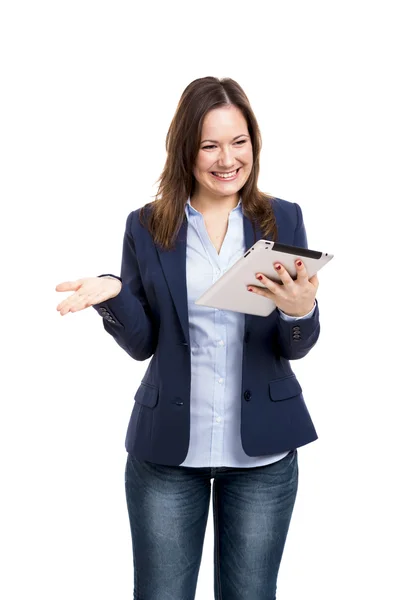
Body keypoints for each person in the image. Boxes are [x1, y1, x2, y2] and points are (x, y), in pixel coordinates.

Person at [56, 76, 320, 600]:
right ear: (186, 151)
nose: (228, 159)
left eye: (239, 142)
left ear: (254, 145)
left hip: (262, 457)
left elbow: (297, 343)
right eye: (210, 145)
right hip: (167, 456)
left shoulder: (282, 217)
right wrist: (113, 294)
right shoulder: (147, 225)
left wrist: (300, 310)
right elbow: (143, 343)